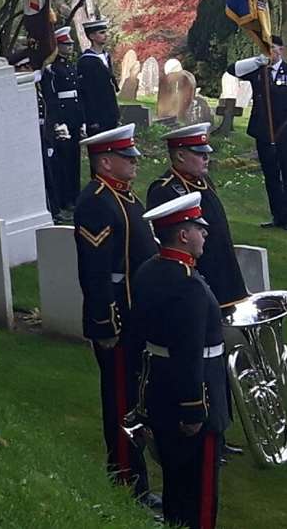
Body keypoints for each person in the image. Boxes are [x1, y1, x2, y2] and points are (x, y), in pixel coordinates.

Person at [128, 192, 229, 529]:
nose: (205, 234)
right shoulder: (189, 287)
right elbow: (188, 354)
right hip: (193, 397)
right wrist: (194, 410)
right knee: (198, 493)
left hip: (158, 390)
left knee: (174, 480)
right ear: (183, 235)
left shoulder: (148, 270)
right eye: (199, 228)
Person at [72, 125, 157, 508]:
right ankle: (127, 482)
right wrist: (105, 324)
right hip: (117, 321)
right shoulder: (96, 202)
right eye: (128, 158)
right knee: (121, 401)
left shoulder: (125, 198)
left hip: (135, 316)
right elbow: (96, 271)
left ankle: (137, 478)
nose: (134, 163)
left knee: (136, 400)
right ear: (105, 162)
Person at [147, 123, 250, 310]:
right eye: (200, 154)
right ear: (180, 155)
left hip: (223, 273)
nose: (206, 158)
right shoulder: (165, 190)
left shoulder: (204, 181)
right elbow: (168, 241)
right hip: (196, 278)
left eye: (207, 153)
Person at [233, 35, 287, 229]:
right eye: (267, 49)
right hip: (263, 131)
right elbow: (232, 70)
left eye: (274, 49)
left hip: (285, 131)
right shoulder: (258, 71)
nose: (271, 52)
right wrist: (255, 61)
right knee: (271, 176)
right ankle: (277, 216)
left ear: (282, 50)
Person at [39, 25, 86, 220]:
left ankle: (75, 196)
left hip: (73, 117)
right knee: (64, 161)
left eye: (71, 44)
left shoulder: (69, 66)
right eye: (66, 44)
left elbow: (77, 95)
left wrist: (81, 119)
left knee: (74, 159)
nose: (70, 47)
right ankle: (66, 198)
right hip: (62, 118)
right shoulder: (53, 69)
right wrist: (58, 122)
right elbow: (53, 98)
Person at [77, 20, 121, 138]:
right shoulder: (86, 61)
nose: (105, 35)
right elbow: (87, 93)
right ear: (91, 36)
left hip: (110, 112)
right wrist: (92, 120)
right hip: (97, 116)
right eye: (101, 32)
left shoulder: (106, 56)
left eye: (105, 32)